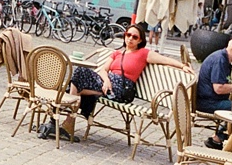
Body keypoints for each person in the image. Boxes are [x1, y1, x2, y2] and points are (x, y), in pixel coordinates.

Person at [59, 24, 194, 143]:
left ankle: (67, 119)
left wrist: (182, 66)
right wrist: (106, 81)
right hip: (106, 83)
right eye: (128, 35)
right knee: (79, 73)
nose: (130, 38)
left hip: (121, 89)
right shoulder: (117, 53)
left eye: (134, 37)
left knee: (74, 86)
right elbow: (103, 70)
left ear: (140, 40)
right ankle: (69, 122)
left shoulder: (143, 53)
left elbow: (165, 60)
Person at [197, 38, 232, 148]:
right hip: (207, 101)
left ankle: (219, 138)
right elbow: (219, 88)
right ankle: (230, 142)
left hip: (210, 99)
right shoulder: (220, 60)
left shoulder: (223, 58)